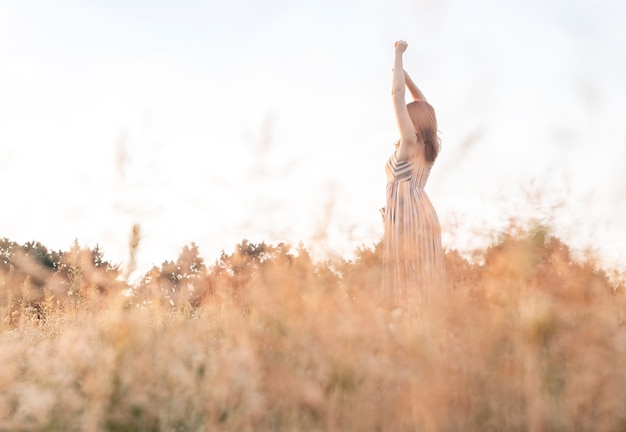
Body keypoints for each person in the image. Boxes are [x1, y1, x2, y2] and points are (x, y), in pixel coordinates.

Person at [381, 40, 445, 311]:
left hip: (406, 214)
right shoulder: (428, 149)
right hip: (424, 214)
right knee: (424, 279)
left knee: (404, 281)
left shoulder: (408, 142)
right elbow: (424, 104)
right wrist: (406, 76)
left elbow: (396, 95)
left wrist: (398, 55)